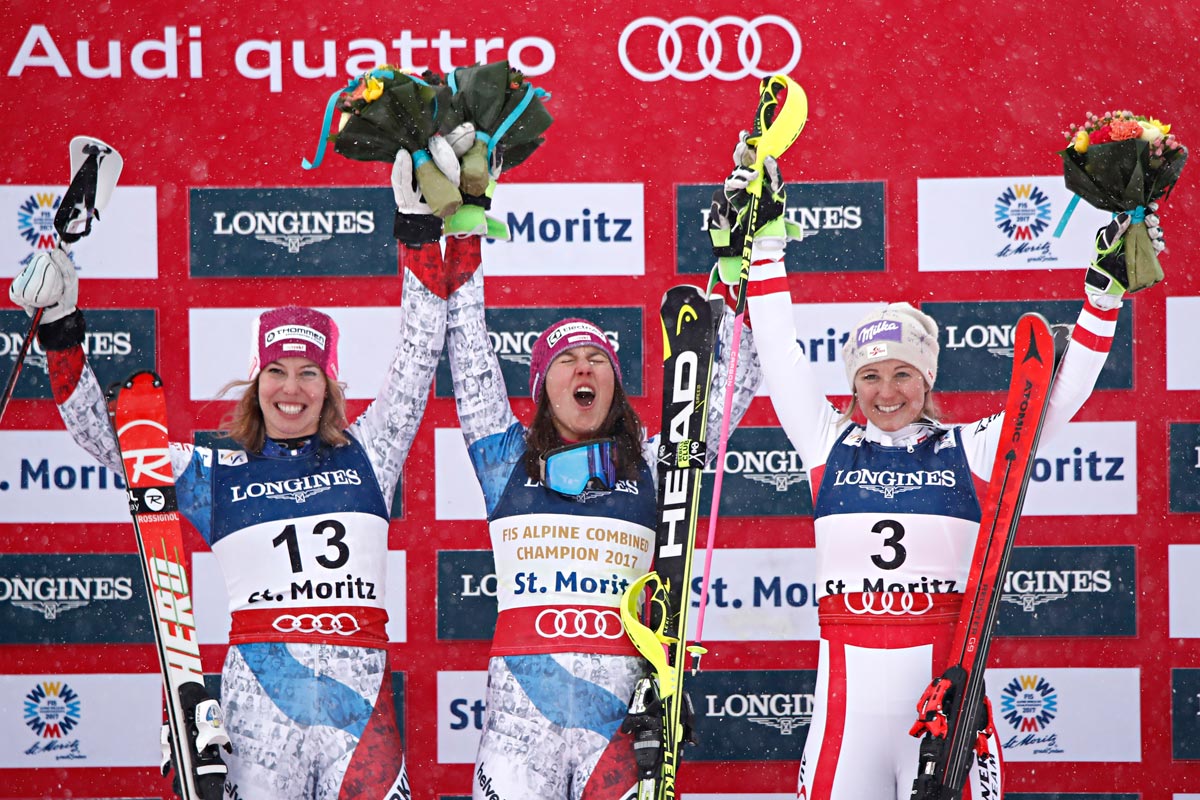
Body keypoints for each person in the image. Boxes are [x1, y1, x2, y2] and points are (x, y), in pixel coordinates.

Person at [719, 142, 1145, 799]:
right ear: (852, 385)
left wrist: (1104, 297)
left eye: (902, 376)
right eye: (870, 377)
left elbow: (1052, 402)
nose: (886, 393)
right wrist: (768, 244)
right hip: (844, 726)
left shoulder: (969, 449)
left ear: (928, 379)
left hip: (948, 715)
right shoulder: (826, 442)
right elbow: (779, 350)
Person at [8, 223, 456, 798]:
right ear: (255, 380)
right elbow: (104, 436)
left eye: (308, 372)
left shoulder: (373, 449)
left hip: (360, 712)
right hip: (260, 711)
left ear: (330, 384)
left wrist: (417, 229)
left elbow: (418, 356)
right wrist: (61, 331)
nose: (290, 388)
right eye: (276, 371)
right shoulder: (214, 470)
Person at [389, 148, 762, 798]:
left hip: (619, 726)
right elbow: (468, 347)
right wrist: (465, 226)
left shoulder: (654, 463)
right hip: (517, 736)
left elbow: (732, 379)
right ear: (541, 385)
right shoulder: (507, 459)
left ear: (615, 387)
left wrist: (737, 265)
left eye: (597, 359)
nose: (584, 368)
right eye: (567, 360)